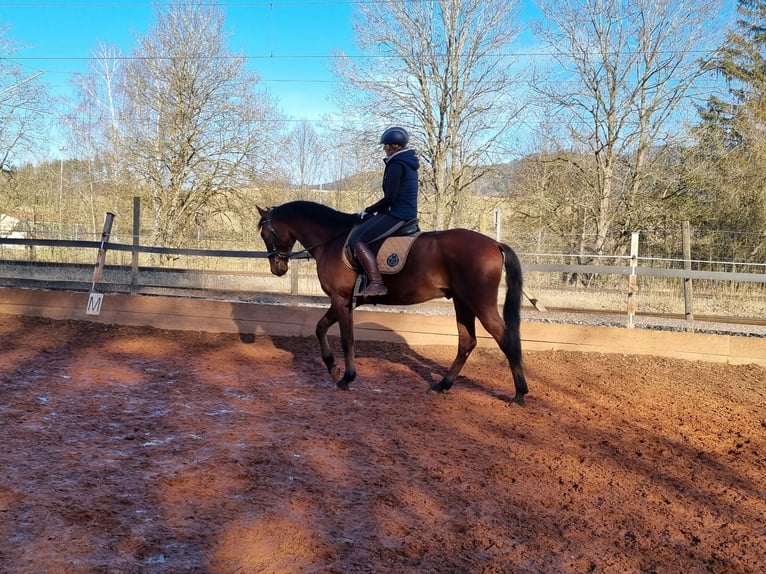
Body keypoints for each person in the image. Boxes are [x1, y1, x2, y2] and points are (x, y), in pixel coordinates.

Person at [348, 126, 420, 296]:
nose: (384, 149)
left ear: (394, 146)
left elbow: (390, 198)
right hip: (403, 211)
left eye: (386, 145)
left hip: (398, 214)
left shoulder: (397, 164)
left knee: (359, 240)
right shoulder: (407, 162)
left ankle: (376, 283)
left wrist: (368, 210)